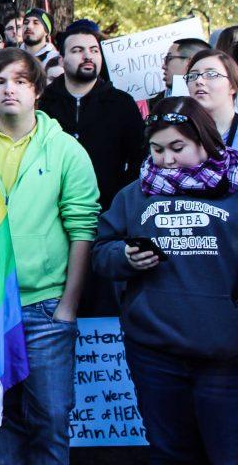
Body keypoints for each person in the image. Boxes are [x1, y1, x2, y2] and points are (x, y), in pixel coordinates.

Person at [0, 48, 99, 463]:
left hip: (45, 308)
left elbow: (83, 230)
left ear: (37, 90)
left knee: (51, 421)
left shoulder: (65, 150)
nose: (9, 89)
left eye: (20, 81)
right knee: (2, 417)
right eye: (0, 81)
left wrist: (68, 308)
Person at [91, 96, 238, 464]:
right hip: (155, 354)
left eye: (177, 148)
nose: (167, 160)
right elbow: (100, 251)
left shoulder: (235, 192)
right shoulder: (134, 195)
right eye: (156, 149)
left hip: (225, 356)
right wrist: (124, 257)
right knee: (170, 454)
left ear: (205, 141)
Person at [39, 29, 145, 211]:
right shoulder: (43, 102)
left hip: (108, 211)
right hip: (52, 209)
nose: (88, 56)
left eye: (94, 50)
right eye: (78, 50)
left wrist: (119, 199)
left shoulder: (121, 103)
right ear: (62, 60)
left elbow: (139, 159)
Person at [185, 48, 238, 148]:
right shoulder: (178, 132)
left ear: (233, 86)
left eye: (211, 74)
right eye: (192, 76)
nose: (199, 80)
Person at [21, 8, 61, 74]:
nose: (29, 26)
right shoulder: (13, 55)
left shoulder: (56, 59)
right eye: (26, 22)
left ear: (46, 32)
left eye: (36, 23)